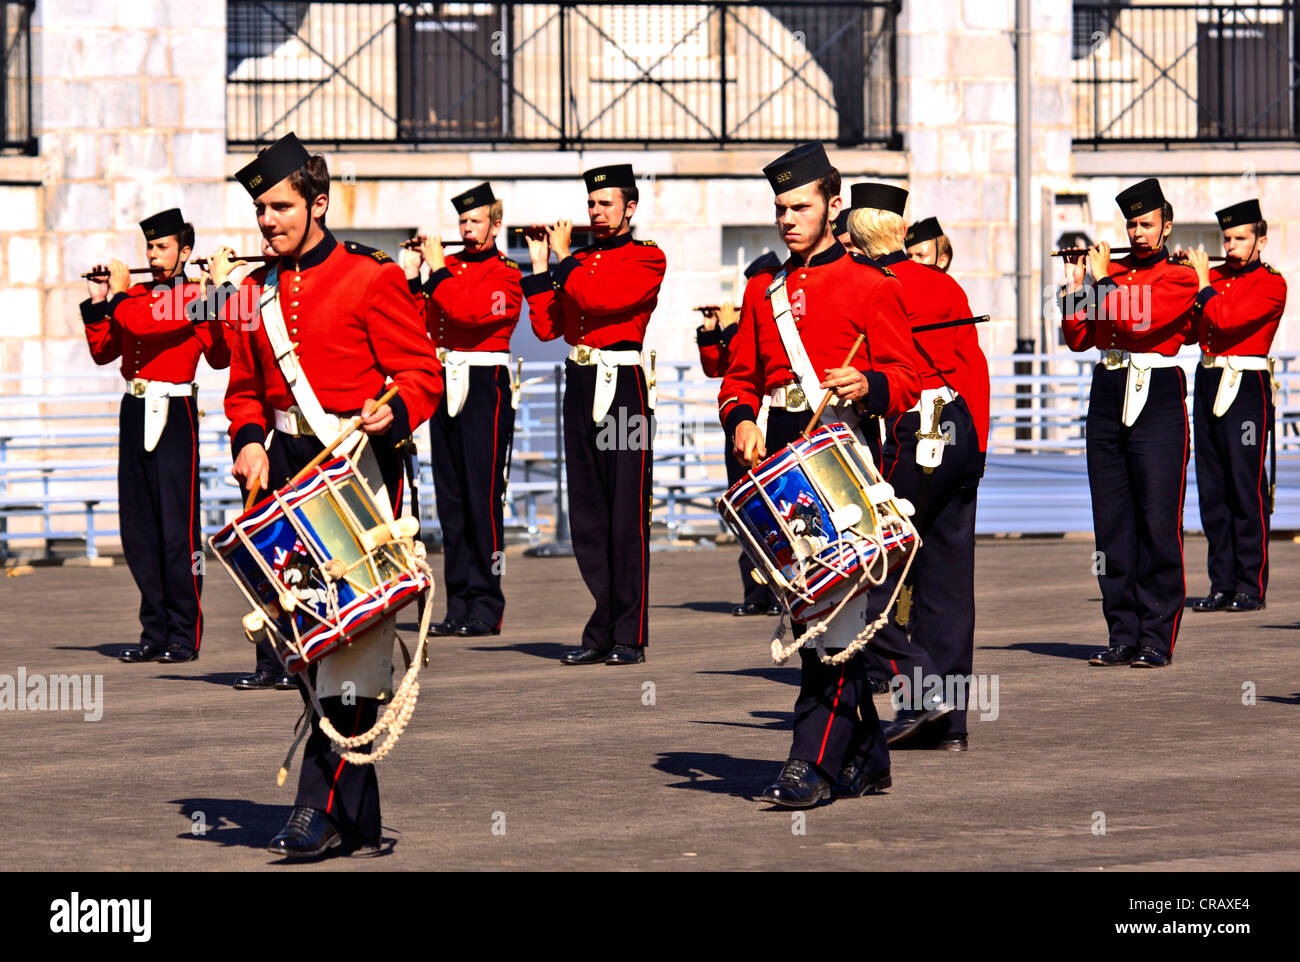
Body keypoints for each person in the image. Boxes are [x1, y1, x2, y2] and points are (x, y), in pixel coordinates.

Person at [220, 132, 442, 858]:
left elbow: (422, 376)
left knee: (352, 647)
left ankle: (315, 811)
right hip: (284, 470)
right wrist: (248, 439)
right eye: (260, 209)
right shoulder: (253, 290)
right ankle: (358, 816)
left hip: (356, 472)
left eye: (280, 206)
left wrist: (396, 409)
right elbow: (245, 389)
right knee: (306, 646)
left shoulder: (371, 277)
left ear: (318, 203)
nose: (268, 221)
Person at [720, 142, 921, 807]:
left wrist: (868, 382)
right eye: (780, 208)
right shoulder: (762, 289)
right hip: (782, 449)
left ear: (834, 206)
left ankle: (809, 765)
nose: (787, 219)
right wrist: (742, 420)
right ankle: (869, 757)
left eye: (800, 206)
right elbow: (739, 379)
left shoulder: (870, 284)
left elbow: (910, 382)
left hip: (842, 449)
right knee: (811, 607)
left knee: (832, 616)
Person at [844, 183, 990, 752]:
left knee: (874, 570)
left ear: (855, 237)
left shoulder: (869, 287)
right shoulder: (944, 283)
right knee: (949, 583)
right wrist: (976, 449)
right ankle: (949, 725)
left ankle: (920, 693)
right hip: (958, 426)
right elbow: (972, 368)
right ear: (901, 231)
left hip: (908, 430)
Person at [522, 163, 666, 666]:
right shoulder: (578, 260)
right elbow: (547, 328)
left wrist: (562, 262)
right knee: (588, 515)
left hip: (623, 384)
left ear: (629, 208)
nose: (596, 211)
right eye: (591, 203)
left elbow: (600, 299)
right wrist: (542, 267)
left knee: (627, 513)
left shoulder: (647, 259)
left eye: (606, 203)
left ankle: (631, 632)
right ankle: (601, 626)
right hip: (580, 380)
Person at [81, 207, 230, 665]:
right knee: (139, 527)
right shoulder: (140, 296)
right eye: (149, 246)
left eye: (162, 246)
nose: (153, 254)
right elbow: (105, 352)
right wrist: (97, 301)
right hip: (135, 406)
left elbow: (219, 356)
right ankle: (154, 630)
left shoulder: (189, 297)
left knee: (177, 531)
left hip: (175, 411)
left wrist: (220, 295)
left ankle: (184, 633)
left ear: (185, 252)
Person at [1060, 178, 1199, 669]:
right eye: (1131, 225)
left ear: (1165, 225)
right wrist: (1076, 287)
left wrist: (1101, 283)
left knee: (1157, 519)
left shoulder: (1179, 277)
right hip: (1109, 388)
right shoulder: (1110, 272)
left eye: (1146, 224)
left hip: (1156, 392)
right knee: (1112, 520)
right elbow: (1077, 338)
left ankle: (1157, 635)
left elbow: (1140, 319)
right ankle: (1122, 632)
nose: (1137, 233)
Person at [403, 182, 522, 638]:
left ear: (494, 224)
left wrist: (434, 275)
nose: (466, 229)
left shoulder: (507, 273)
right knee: (450, 501)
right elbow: (418, 323)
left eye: (474, 221)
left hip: (484, 384)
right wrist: (414, 278)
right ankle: (458, 605)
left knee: (482, 499)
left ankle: (486, 605)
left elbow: (472, 314)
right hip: (445, 378)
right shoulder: (445, 268)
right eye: (462, 222)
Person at [1185, 199, 1286, 613]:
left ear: (1260, 240)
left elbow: (1226, 320)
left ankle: (1250, 584)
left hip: (1245, 384)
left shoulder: (1272, 283)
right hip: (1208, 378)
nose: (1230, 245)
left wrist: (1201, 283)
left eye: (1240, 238)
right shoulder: (1213, 278)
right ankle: (1221, 583)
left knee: (1245, 487)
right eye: (1226, 238)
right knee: (1212, 489)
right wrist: (1186, 284)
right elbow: (1193, 333)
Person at [697, 251, 782, 617]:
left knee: (776, 508)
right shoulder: (750, 311)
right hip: (742, 420)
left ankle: (781, 589)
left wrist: (731, 327)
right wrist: (710, 330)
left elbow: (752, 357)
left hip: (769, 416)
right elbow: (719, 367)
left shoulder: (773, 304)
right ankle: (756, 591)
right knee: (745, 507)